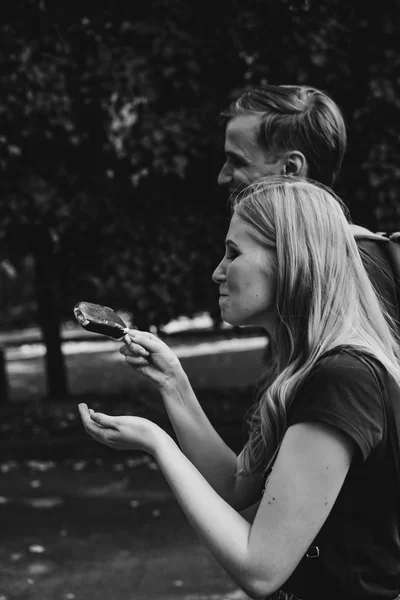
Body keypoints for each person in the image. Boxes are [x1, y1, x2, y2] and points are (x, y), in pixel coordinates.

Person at [79, 176, 400, 600]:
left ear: (292, 260)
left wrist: (157, 443)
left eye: (234, 253)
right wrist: (173, 384)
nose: (217, 271)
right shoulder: (313, 370)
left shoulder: (342, 379)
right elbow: (236, 486)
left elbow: (260, 567)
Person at [217, 84, 400, 326]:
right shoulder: (315, 260)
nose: (222, 177)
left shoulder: (339, 269)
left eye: (238, 161)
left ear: (291, 168)